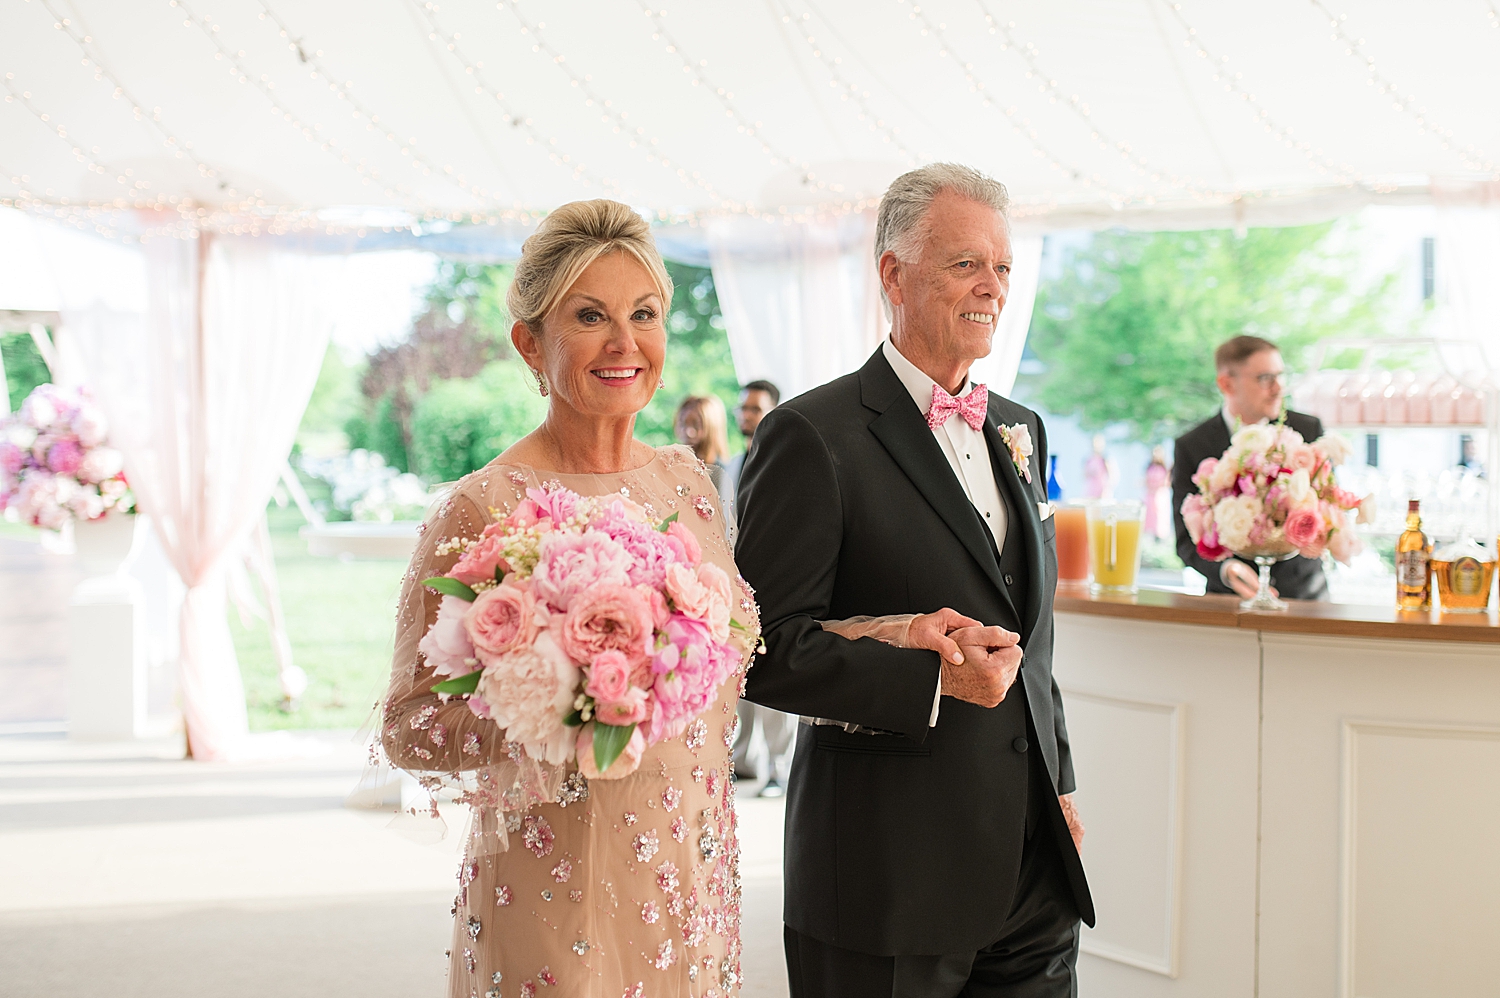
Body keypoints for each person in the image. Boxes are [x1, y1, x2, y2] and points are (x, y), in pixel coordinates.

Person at [380, 200, 759, 995]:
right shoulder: (482, 506)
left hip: (690, 870)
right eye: (591, 317)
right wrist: (550, 706)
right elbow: (412, 727)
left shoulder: (687, 484)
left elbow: (736, 655)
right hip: (556, 880)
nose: (625, 344)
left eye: (644, 314)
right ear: (531, 343)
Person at [737, 163, 1093, 997]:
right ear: (894, 274)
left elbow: (1033, 637)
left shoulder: (1021, 427)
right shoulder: (809, 435)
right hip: (886, 873)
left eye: (1003, 267)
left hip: (1033, 867)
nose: (994, 287)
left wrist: (1062, 785)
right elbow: (762, 649)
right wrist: (926, 674)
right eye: (967, 263)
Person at [1172, 334, 1328, 600]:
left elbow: (1328, 511)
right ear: (1226, 383)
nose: (1278, 387)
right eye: (1265, 378)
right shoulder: (1192, 445)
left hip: (1304, 597)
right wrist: (1225, 569)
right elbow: (1186, 540)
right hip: (1229, 602)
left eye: (1281, 375)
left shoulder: (1308, 431)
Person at [723, 380, 795, 796]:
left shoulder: (787, 462)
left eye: (754, 408)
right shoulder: (731, 465)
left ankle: (781, 768)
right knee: (743, 682)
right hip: (735, 589)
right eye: (742, 408)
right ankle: (748, 761)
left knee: (778, 678)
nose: (746, 415)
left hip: (775, 589)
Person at [675, 393, 733, 514]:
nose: (688, 432)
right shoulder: (674, 469)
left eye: (696, 425)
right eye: (683, 423)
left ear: (712, 426)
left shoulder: (724, 474)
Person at [1144, 445, 1171, 540]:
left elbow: (1167, 482)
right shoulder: (1149, 467)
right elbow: (1146, 480)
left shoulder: (1164, 468)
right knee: (1150, 516)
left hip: (1160, 495)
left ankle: (1160, 537)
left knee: (1159, 517)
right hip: (1150, 495)